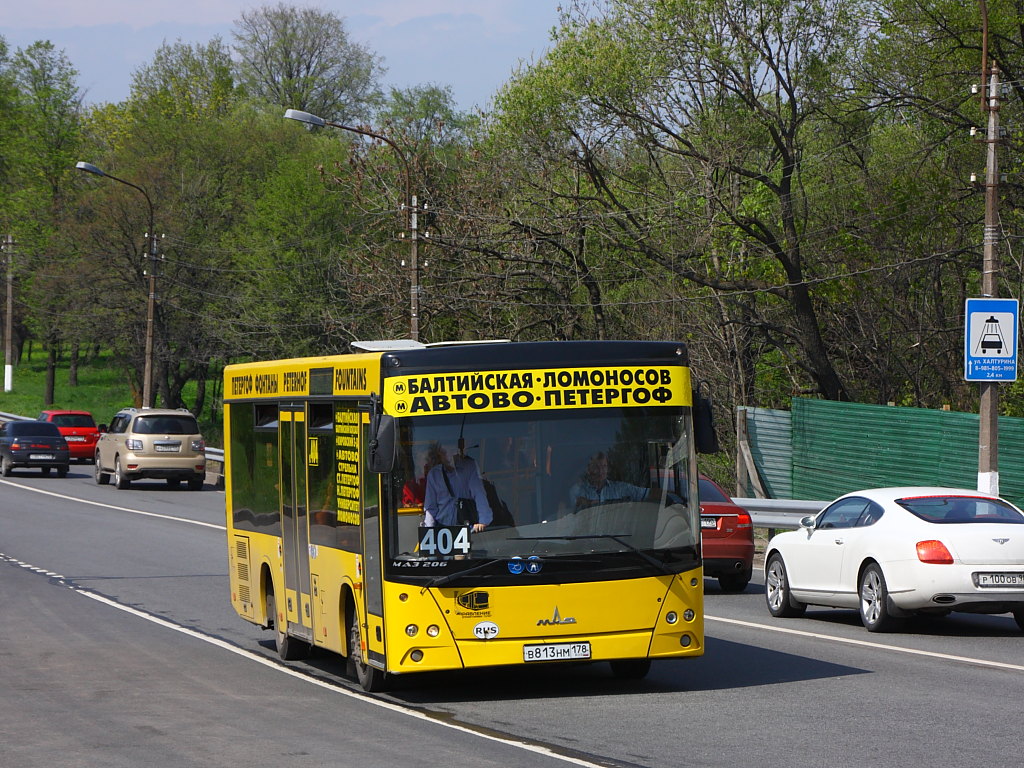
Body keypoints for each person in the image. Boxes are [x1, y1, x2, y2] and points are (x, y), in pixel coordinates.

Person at [422, 441, 493, 531]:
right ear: (440, 453)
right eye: (445, 452)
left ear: (458, 452)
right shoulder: (434, 474)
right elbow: (431, 508)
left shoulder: (470, 467)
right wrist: (428, 533)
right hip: (442, 529)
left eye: (452, 451)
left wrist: (483, 522)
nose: (450, 456)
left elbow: (479, 494)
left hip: (466, 526)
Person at [569, 451, 650, 510]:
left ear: (607, 468)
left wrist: (662, 495)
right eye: (596, 467)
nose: (601, 471)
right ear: (588, 470)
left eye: (604, 466)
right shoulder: (578, 490)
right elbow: (571, 508)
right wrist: (587, 503)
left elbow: (647, 493)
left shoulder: (621, 488)